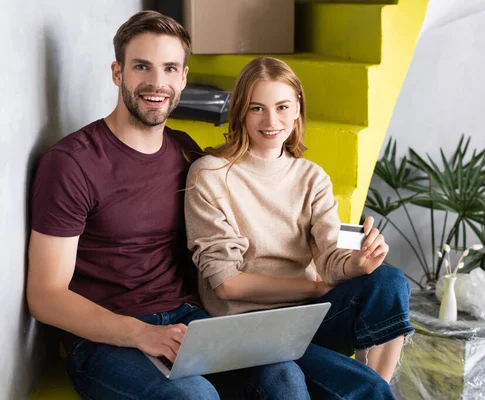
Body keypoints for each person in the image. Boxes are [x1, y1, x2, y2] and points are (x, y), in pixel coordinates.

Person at [27, 11, 348, 400]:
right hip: (105, 338)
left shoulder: (186, 153)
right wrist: (141, 333)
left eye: (170, 68)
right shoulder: (71, 163)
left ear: (183, 77)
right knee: (194, 397)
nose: (157, 83)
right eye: (142, 66)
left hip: (191, 320)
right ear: (117, 73)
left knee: (283, 379)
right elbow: (45, 296)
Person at [184, 57, 414, 395]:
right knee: (306, 383)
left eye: (282, 106)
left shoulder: (311, 178)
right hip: (246, 331)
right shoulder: (211, 174)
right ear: (240, 112)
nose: (271, 120)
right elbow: (227, 285)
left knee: (389, 281)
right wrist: (314, 290)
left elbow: (331, 259)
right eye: (256, 108)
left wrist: (357, 262)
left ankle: (375, 381)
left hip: (307, 321)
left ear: (297, 109)